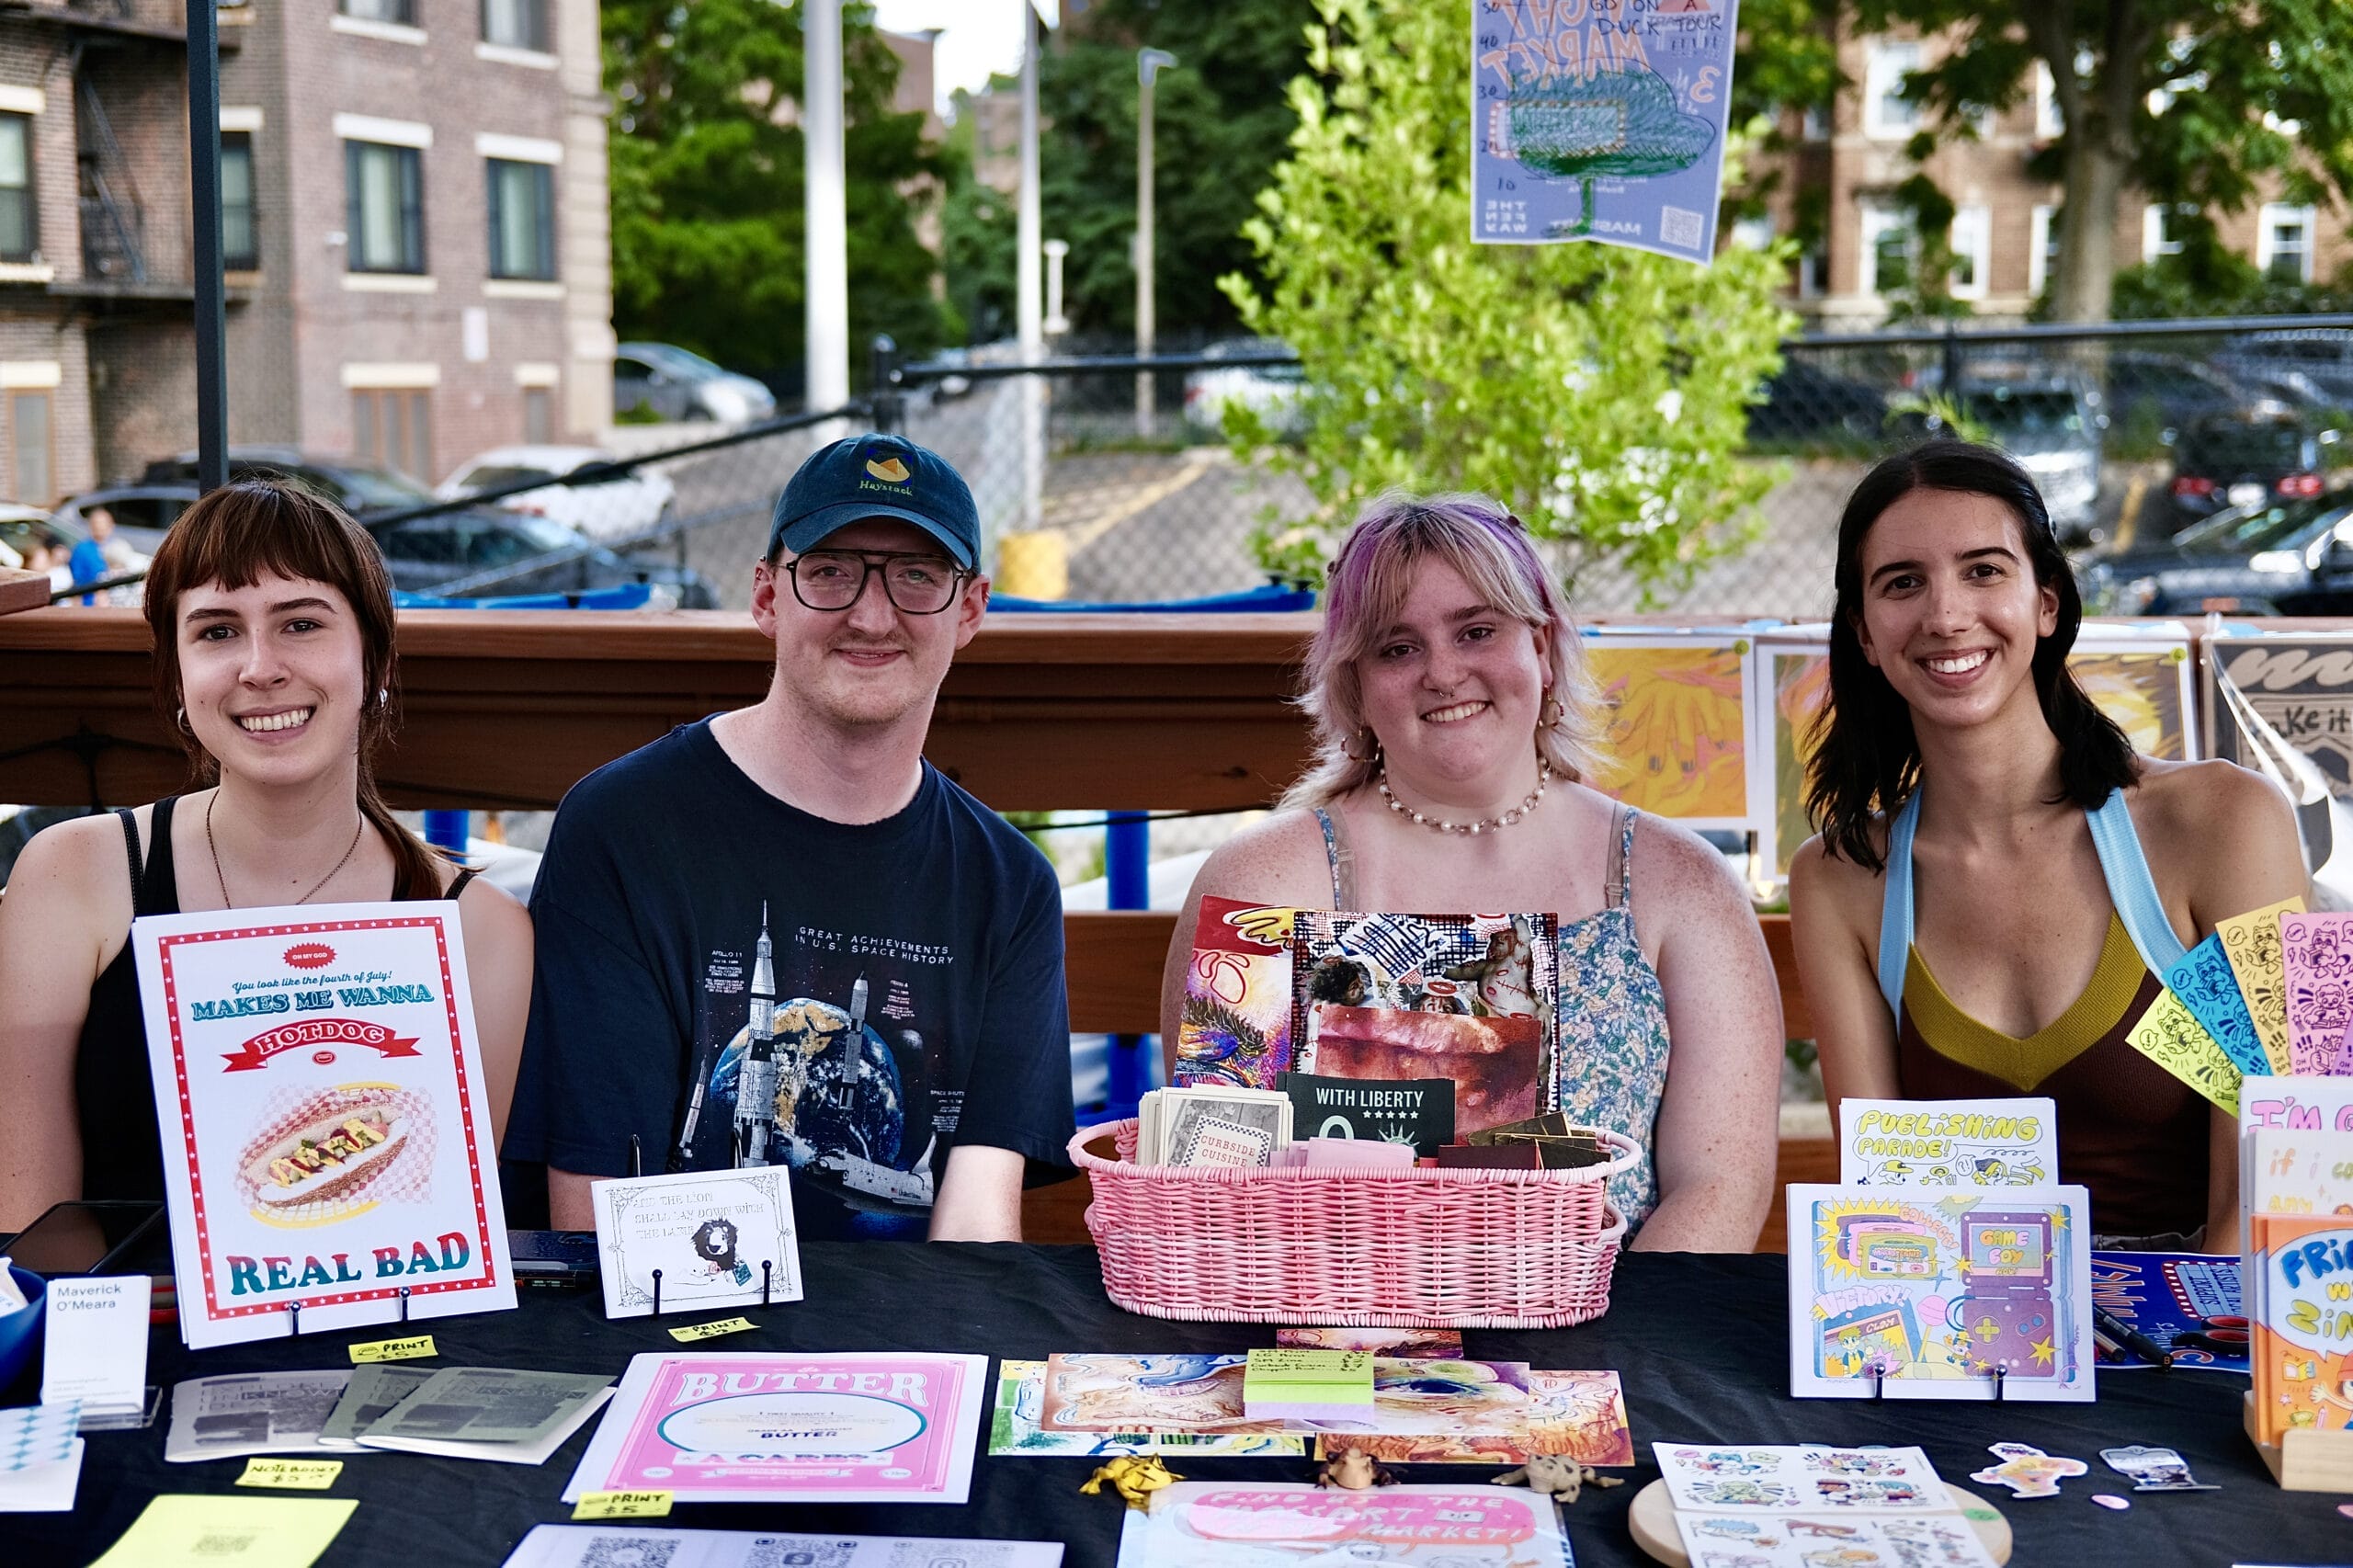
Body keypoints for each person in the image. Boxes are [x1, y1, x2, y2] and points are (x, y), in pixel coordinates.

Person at [1159, 493, 1783, 1249]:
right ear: (1355, 687)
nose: (1443, 672)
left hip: (1617, 1334)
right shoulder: (1261, 884)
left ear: (1544, 650)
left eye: (1477, 630)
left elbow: (1720, 1186)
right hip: (1327, 1339)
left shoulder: (1680, 883)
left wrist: (1592, 1350)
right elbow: (1221, 1182)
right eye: (1397, 648)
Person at [504, 433, 1074, 1242]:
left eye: (917, 576)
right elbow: (596, 1212)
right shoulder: (623, 831)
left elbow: (976, 1226)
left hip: (910, 1348)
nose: (872, 615)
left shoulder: (1009, 885)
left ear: (971, 609)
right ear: (770, 596)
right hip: (676, 1341)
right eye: (832, 570)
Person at [1788, 439, 2306, 1251]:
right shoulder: (1842, 878)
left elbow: (2283, 1170)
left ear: (2048, 602)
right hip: (1966, 1346)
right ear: (1863, 631)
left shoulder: (2225, 821)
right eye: (1903, 583)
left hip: (2211, 1334)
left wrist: (2184, 1358)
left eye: (1985, 570)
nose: (1945, 614)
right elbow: (1884, 1202)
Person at [0, 480, 534, 1233]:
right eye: (217, 632)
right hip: (128, 1342)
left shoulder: (484, 933)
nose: (260, 667)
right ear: (177, 677)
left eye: (301, 624)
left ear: (376, 660)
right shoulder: (72, 877)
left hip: (384, 1345)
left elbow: (440, 1222)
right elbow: (32, 1236)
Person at [67, 506, 114, 606]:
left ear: (111, 526)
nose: (100, 527)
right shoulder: (82, 549)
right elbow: (77, 580)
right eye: (97, 523)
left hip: (113, 602)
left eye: (103, 523)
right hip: (89, 603)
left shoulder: (116, 547)